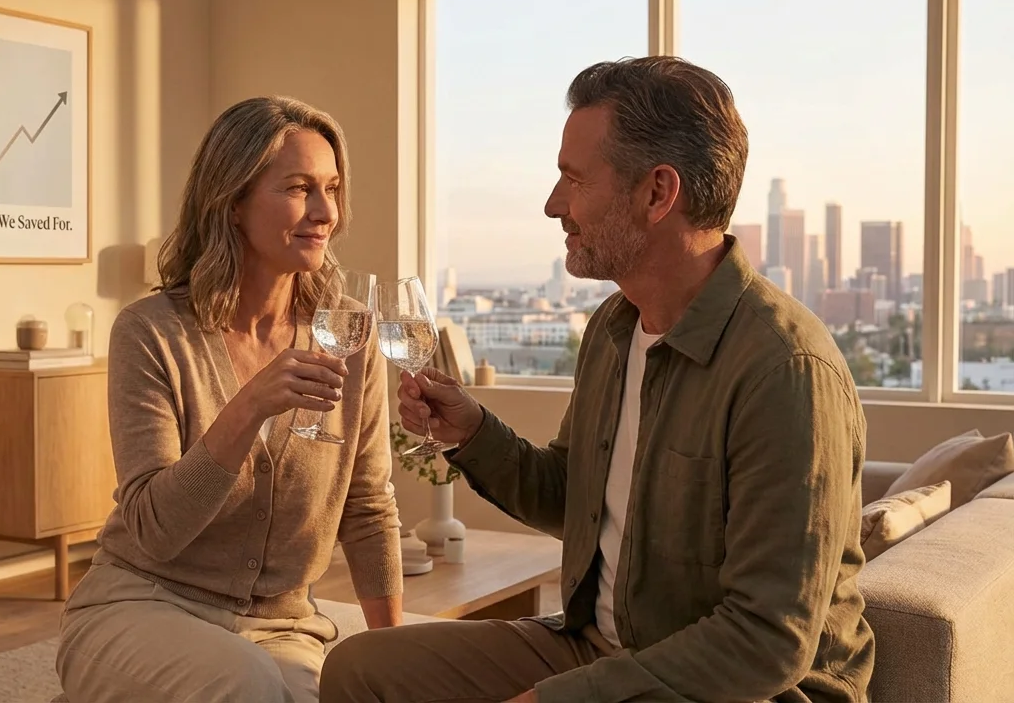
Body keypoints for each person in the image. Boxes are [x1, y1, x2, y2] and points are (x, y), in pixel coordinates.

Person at [320, 56, 875, 702]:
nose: (554, 204)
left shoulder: (785, 371)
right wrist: (471, 432)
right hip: (598, 645)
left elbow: (767, 639)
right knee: (361, 668)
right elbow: (573, 498)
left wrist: (561, 698)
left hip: (746, 689)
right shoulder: (615, 328)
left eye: (573, 179)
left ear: (657, 193)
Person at [56, 95, 404, 703]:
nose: (326, 212)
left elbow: (368, 506)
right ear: (233, 201)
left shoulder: (348, 333)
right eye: (299, 188)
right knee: (247, 688)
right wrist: (247, 408)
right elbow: (154, 532)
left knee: (322, 694)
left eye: (333, 188)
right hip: (142, 601)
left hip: (282, 626)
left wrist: (400, 663)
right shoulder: (151, 332)